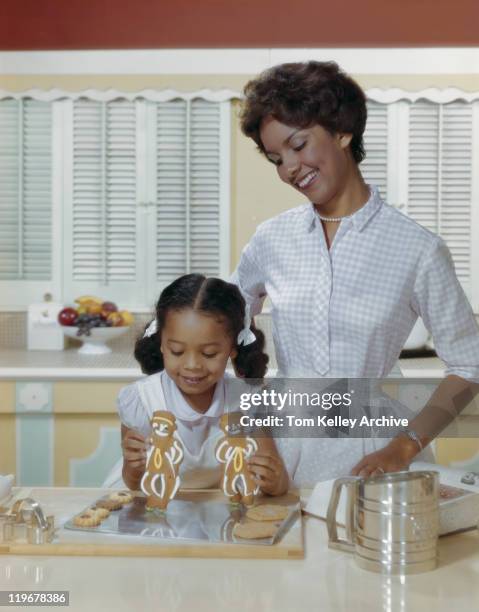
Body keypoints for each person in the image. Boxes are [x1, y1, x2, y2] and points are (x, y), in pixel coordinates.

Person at [233, 60, 479, 484]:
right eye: (276, 157)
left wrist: (405, 445)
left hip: (377, 447)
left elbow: (469, 365)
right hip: (281, 445)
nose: (290, 167)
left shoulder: (417, 249)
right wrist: (257, 425)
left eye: (299, 145)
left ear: (343, 131)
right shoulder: (271, 240)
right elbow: (225, 328)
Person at [104, 273, 288, 496]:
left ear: (232, 347)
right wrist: (133, 466)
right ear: (161, 342)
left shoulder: (247, 400)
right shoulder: (142, 399)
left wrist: (275, 482)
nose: (192, 365)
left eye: (209, 353)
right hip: (154, 503)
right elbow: (133, 482)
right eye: (177, 351)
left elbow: (273, 477)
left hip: (215, 508)